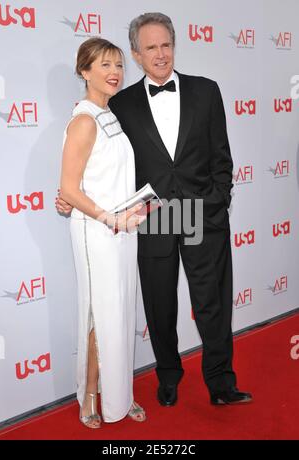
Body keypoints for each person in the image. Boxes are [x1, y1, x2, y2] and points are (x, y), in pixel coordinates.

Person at [57, 13, 252, 407]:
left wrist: (216, 203)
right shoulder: (121, 104)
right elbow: (98, 155)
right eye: (150, 48)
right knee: (160, 306)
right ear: (136, 53)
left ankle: (220, 383)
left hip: (201, 212)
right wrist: (68, 193)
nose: (160, 54)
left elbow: (222, 158)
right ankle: (168, 377)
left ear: (174, 46)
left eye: (166, 45)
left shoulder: (205, 91)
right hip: (153, 217)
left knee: (211, 303)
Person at [59, 37, 147, 428]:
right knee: (101, 314)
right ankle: (91, 395)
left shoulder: (109, 114)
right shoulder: (82, 120)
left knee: (121, 312)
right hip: (98, 234)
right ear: (84, 71)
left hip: (123, 230)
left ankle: (120, 394)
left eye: (119, 65)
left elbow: (101, 177)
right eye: (104, 65)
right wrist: (111, 219)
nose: (114, 73)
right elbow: (69, 189)